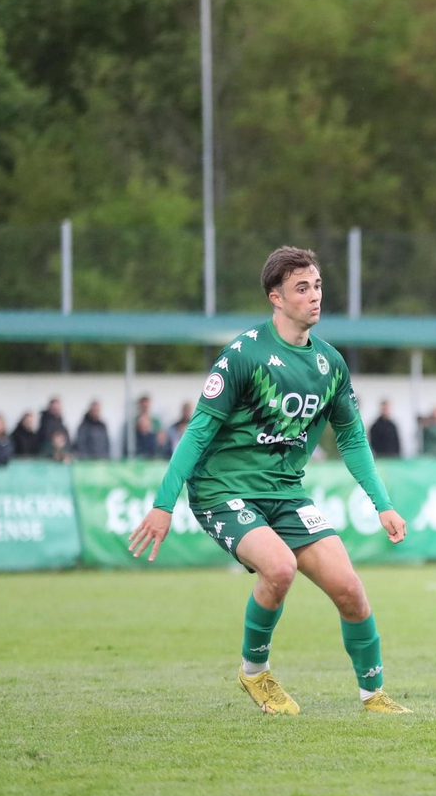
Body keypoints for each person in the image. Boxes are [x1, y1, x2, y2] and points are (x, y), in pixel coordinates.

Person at [127, 246, 411, 713]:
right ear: (275, 297)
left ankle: (373, 695)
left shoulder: (330, 365)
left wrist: (383, 503)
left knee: (350, 589)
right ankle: (255, 674)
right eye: (302, 288)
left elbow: (353, 440)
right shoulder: (242, 355)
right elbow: (198, 432)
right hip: (224, 490)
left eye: (317, 285)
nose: (315, 296)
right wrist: (164, 503)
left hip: (285, 492)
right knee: (279, 568)